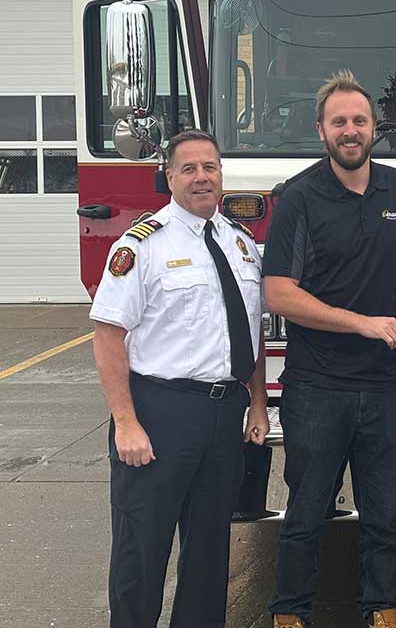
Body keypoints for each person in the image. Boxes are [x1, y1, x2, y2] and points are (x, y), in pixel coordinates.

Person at [265, 70, 396, 628]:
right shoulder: (299, 196)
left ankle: (381, 610)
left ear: (373, 128)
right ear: (321, 130)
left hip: (387, 385)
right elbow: (280, 293)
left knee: (384, 516)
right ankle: (290, 614)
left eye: (359, 120)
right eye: (339, 121)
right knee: (306, 514)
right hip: (317, 386)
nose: (350, 129)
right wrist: (361, 323)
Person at [90, 129, 270, 628]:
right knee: (141, 549)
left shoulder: (240, 243)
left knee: (210, 550)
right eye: (188, 168)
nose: (201, 177)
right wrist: (125, 422)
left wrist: (256, 405)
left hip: (224, 411)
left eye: (209, 167)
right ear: (168, 177)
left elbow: (249, 328)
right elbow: (108, 336)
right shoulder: (141, 246)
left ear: (221, 174)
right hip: (160, 410)